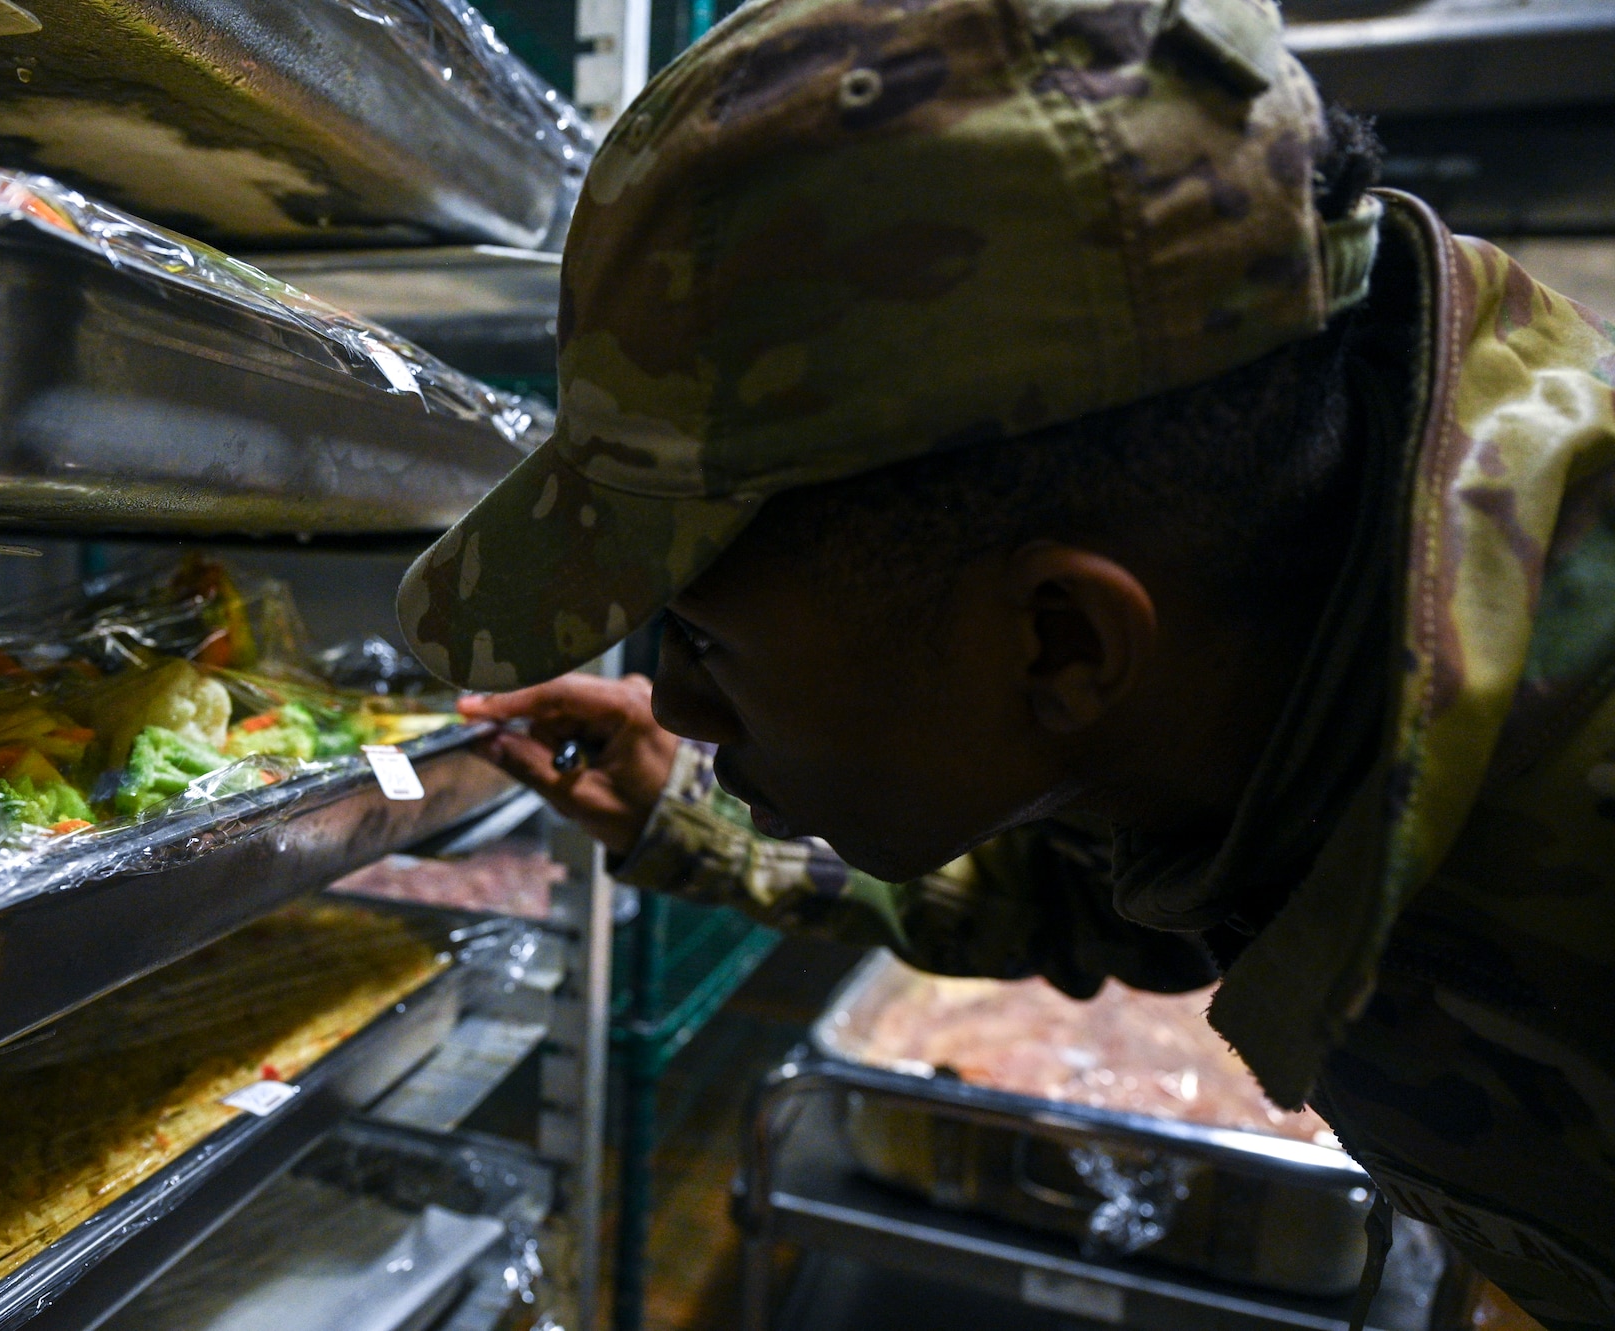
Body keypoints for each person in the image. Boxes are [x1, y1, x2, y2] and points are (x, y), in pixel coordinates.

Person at [395, 0, 1615, 1322]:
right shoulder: (1270, 644)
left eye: (702, 634)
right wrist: (680, 816)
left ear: (1067, 644)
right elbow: (1111, 869)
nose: (674, 696)